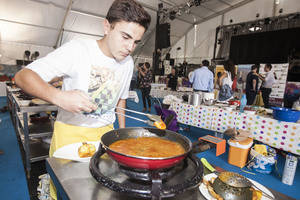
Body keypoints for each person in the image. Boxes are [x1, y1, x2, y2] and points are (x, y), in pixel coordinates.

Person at [14, 0, 151, 199]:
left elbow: (121, 101)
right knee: (66, 192)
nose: (130, 47)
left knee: (103, 192)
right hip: (70, 134)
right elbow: (22, 77)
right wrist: (59, 96)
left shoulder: (128, 63)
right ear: (107, 27)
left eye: (136, 42)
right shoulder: (78, 50)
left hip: (106, 136)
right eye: (125, 37)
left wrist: (121, 134)